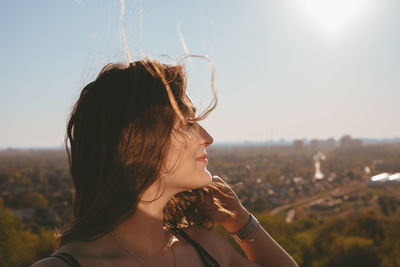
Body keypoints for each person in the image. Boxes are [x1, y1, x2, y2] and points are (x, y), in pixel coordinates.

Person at [32, 59, 298, 267]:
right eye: (188, 124)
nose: (208, 138)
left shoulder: (205, 248)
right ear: (139, 139)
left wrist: (241, 222)